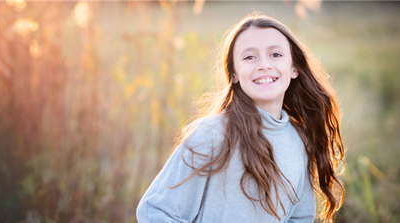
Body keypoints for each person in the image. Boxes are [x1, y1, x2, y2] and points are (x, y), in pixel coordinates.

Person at [136, 13, 345, 223]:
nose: (264, 65)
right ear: (234, 74)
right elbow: (154, 211)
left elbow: (299, 218)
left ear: (294, 68)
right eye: (249, 57)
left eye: (275, 55)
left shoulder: (301, 141)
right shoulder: (211, 134)